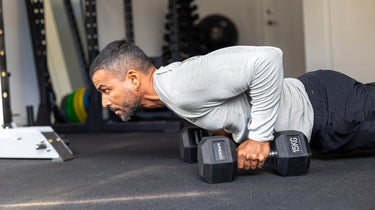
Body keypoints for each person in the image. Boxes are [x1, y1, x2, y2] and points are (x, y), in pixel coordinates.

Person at [90, 39, 375, 171]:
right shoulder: (168, 91)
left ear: (132, 79)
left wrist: (259, 137)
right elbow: (226, 102)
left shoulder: (180, 84)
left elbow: (268, 58)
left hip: (331, 110)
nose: (104, 100)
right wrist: (227, 129)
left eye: (106, 89)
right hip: (320, 112)